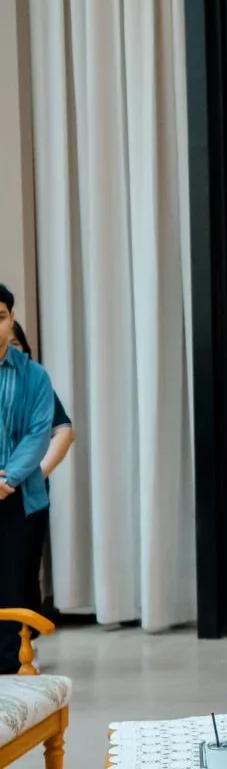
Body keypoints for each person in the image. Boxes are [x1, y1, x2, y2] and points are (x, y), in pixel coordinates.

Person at [0, 284, 56, 675]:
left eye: (1, 317)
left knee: (12, 583)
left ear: (12, 319)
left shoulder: (34, 376)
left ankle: (8, 670)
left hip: (18, 497)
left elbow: (39, 434)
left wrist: (8, 480)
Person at [7, 320, 75, 625]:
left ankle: (23, 641)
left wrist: (35, 473)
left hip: (24, 496)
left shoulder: (34, 383)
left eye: (16, 343)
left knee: (21, 575)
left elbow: (63, 431)